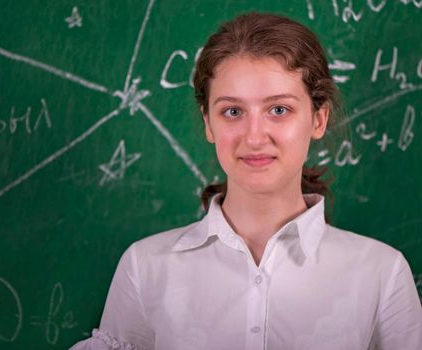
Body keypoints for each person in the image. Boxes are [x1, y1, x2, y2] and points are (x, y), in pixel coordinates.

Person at [71, 12, 422, 350]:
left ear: (318, 118)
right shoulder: (144, 267)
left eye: (279, 110)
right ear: (209, 122)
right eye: (233, 112)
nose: (254, 137)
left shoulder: (381, 273)